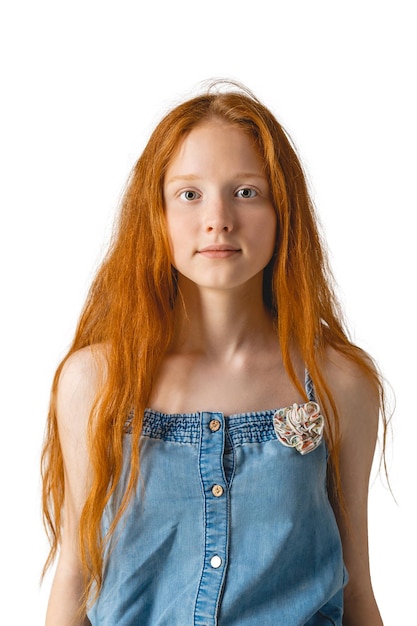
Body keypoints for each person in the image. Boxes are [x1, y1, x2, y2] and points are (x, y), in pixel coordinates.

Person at [41, 81, 387, 625]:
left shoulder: (339, 384)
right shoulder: (96, 381)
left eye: (246, 191)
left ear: (282, 211)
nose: (219, 218)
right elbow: (75, 581)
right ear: (154, 214)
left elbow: (358, 591)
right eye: (190, 193)